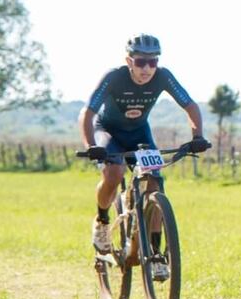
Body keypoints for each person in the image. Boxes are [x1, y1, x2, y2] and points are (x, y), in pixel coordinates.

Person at [78, 33, 208, 280]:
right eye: (140, 62)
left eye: (153, 61)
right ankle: (102, 221)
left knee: (155, 183)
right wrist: (90, 144)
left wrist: (198, 136)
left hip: (139, 133)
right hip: (108, 132)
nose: (147, 68)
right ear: (129, 61)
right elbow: (87, 112)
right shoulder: (113, 77)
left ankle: (156, 253)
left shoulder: (163, 77)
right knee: (113, 172)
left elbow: (190, 105)